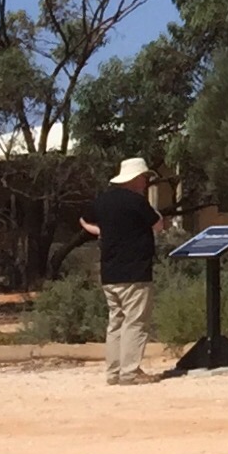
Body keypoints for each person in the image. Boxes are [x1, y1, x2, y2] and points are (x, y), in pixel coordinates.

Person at [78, 157, 161, 385]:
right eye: (144, 177)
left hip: (110, 272)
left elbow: (84, 220)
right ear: (135, 179)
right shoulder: (137, 202)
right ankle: (130, 372)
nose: (145, 182)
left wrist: (102, 231)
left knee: (116, 323)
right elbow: (157, 225)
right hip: (135, 272)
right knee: (135, 322)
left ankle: (113, 372)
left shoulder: (102, 201)